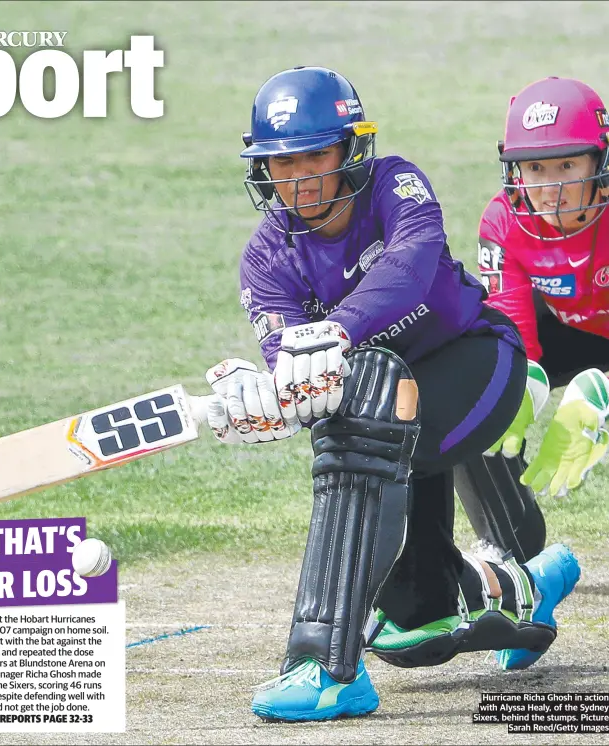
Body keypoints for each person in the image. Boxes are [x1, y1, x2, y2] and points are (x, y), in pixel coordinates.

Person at [202, 66, 581, 723]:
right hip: (390, 416)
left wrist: (333, 330)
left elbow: (406, 272)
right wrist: (254, 399)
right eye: (282, 163)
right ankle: (525, 586)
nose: (302, 179)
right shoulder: (266, 259)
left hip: (474, 366)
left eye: (316, 155)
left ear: (351, 149)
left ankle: (324, 667)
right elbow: (303, 380)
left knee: (369, 405)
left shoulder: (395, 185)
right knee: (414, 626)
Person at [458, 77, 609, 565]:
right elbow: (512, 330)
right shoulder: (502, 220)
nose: (552, 187)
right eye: (535, 167)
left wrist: (602, 392)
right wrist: (519, 385)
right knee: (472, 378)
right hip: (569, 328)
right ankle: (506, 541)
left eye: (568, 163)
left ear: (600, 160)